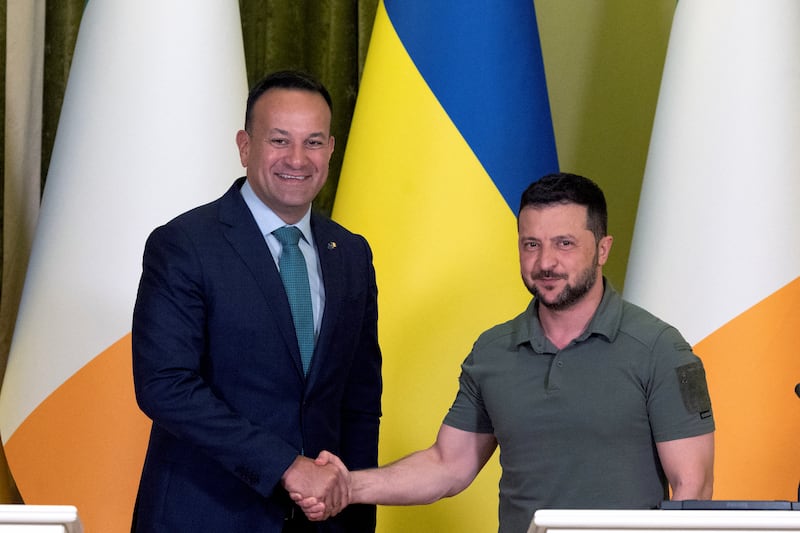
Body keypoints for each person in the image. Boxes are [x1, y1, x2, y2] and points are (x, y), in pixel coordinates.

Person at [294, 173, 715, 532]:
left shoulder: (661, 349)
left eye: (564, 244)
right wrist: (349, 485)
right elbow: (448, 464)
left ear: (602, 249)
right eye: (531, 244)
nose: (545, 262)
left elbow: (693, 488)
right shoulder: (492, 352)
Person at [131, 70, 382, 533]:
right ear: (245, 145)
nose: (297, 159)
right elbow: (165, 385)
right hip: (205, 517)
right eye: (279, 140)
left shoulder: (350, 253)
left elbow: (360, 402)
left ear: (330, 149)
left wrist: (354, 512)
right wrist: (287, 465)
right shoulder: (184, 245)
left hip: (322, 523)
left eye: (313, 142)